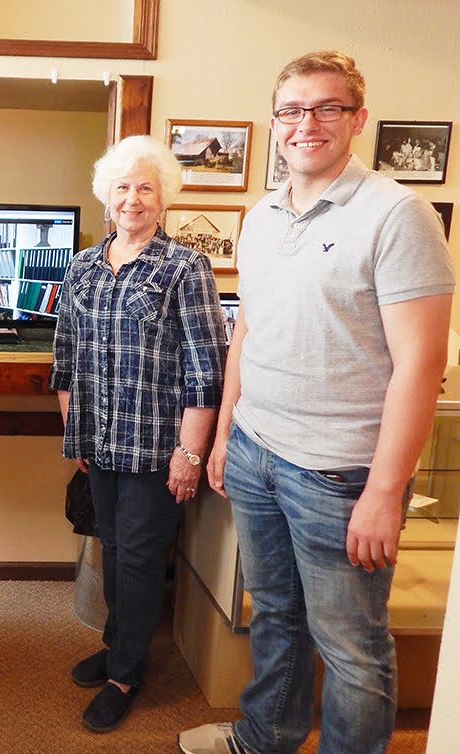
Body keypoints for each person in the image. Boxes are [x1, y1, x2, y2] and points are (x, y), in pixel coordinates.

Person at [179, 51, 454, 754]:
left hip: (338, 475)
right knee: (274, 615)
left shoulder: (399, 215)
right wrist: (224, 436)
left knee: (353, 649)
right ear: (275, 123)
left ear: (357, 119)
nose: (309, 123)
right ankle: (265, 736)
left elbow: (422, 365)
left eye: (327, 107)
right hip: (255, 453)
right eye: (293, 110)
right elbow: (248, 329)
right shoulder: (263, 213)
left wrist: (385, 492)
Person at [50, 135, 227, 733]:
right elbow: (65, 357)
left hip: (156, 448)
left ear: (163, 197)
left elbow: (207, 369)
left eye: (145, 187)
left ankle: (127, 672)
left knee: (141, 560)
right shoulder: (81, 266)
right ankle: (117, 642)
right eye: (123, 187)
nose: (133, 198)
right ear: (107, 195)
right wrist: (74, 431)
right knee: (114, 550)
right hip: (99, 442)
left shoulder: (185, 267)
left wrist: (189, 453)